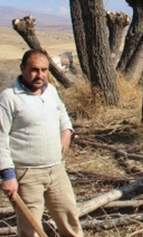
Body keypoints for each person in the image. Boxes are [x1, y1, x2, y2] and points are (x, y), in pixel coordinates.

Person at [0, 49, 83, 237]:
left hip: (56, 170)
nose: (40, 75)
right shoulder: (9, 98)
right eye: (34, 70)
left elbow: (64, 118)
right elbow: (1, 138)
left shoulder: (51, 91)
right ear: (22, 68)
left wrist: (66, 135)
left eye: (44, 70)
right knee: (31, 229)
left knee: (70, 218)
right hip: (27, 174)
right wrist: (7, 174)